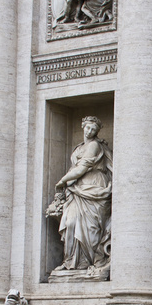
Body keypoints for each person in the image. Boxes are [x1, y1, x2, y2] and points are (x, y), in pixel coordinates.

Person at [47, 117, 112, 277]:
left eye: (93, 130)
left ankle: (89, 261)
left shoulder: (94, 145)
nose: (90, 132)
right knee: (71, 222)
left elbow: (82, 168)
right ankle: (71, 262)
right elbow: (75, 168)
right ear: (83, 127)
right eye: (88, 128)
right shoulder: (78, 148)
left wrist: (62, 181)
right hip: (77, 188)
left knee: (92, 228)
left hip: (94, 185)